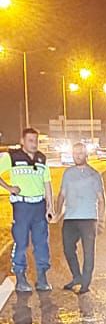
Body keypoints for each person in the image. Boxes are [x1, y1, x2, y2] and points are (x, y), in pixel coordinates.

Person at [0, 125, 54, 293]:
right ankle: (20, 277)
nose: (34, 144)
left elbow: (47, 184)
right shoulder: (12, 157)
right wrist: (9, 188)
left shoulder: (42, 159)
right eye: (30, 140)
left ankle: (42, 277)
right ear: (22, 141)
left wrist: (50, 206)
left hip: (39, 206)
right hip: (22, 207)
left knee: (41, 243)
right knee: (21, 242)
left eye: (36, 141)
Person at [56, 140, 106, 293]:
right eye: (75, 153)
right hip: (70, 218)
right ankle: (76, 276)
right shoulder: (68, 173)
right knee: (68, 249)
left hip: (88, 219)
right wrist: (57, 213)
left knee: (88, 252)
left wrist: (101, 220)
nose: (77, 156)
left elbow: (101, 200)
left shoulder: (94, 175)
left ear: (86, 154)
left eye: (80, 153)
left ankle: (85, 284)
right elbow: (62, 195)